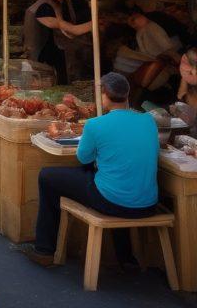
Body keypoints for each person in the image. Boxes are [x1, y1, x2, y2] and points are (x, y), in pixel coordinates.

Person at [27, 72, 160, 268]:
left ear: (104, 94)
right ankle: (125, 258)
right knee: (114, 179)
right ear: (127, 94)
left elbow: (83, 158)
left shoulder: (96, 124)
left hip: (111, 202)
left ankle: (44, 250)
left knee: (47, 176)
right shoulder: (148, 121)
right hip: (148, 204)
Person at [126, 6, 181, 101]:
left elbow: (167, 47)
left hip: (162, 64)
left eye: (134, 22)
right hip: (153, 64)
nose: (133, 25)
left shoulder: (152, 28)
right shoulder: (141, 32)